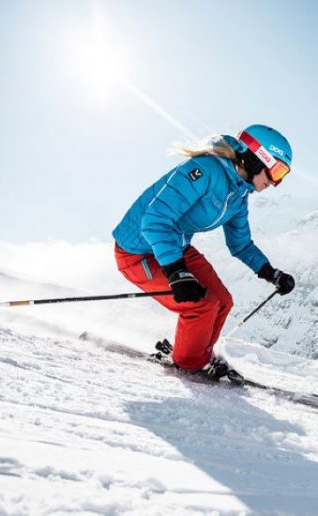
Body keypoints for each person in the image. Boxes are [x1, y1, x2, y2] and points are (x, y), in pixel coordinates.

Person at [112, 124, 296, 379]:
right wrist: (176, 271)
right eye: (277, 170)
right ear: (257, 157)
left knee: (222, 301)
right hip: (137, 251)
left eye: (283, 174)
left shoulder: (238, 195)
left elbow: (240, 244)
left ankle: (198, 353)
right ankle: (189, 362)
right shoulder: (206, 170)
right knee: (201, 305)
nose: (276, 182)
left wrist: (270, 273)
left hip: (174, 245)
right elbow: (154, 220)